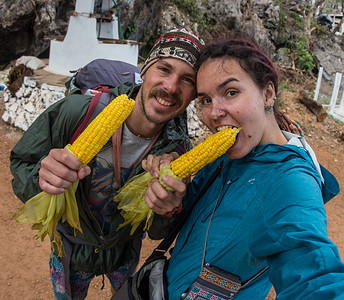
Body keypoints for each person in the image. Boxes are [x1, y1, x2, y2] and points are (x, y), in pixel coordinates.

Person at [10, 27, 205, 299]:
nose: (171, 87)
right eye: (164, 69)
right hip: (71, 250)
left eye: (187, 80)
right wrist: (42, 179)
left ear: (194, 94)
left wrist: (169, 208)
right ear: (145, 70)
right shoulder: (76, 112)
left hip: (122, 254)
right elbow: (21, 165)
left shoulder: (178, 150)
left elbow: (159, 231)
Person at [142, 37, 344, 299]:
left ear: (268, 94)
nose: (214, 113)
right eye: (205, 100)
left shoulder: (291, 180)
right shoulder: (225, 157)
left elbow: (313, 276)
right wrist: (172, 200)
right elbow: (190, 210)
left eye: (231, 92)